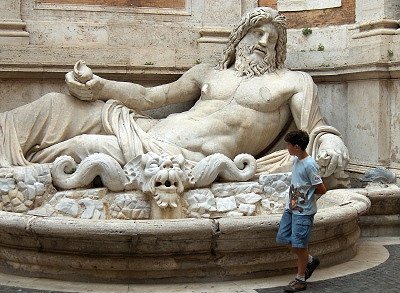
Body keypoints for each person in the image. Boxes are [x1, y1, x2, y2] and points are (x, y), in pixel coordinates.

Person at [0, 7, 348, 185]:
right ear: (240, 37)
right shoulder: (207, 73)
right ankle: (6, 154)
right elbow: (151, 97)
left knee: (85, 147)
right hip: (147, 128)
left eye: (271, 39)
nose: (262, 43)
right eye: (256, 33)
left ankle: (21, 168)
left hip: (181, 157)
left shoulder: (293, 82)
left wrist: (330, 145)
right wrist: (98, 87)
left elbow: (316, 129)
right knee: (55, 105)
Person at [276, 129, 327, 293]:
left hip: (303, 212)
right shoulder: (296, 160)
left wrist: (307, 198)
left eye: (289, 146)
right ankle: (310, 260)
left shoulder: (310, 165)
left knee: (300, 244)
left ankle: (300, 280)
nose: (287, 149)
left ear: (297, 146)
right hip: (290, 208)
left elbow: (321, 188)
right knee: (284, 238)